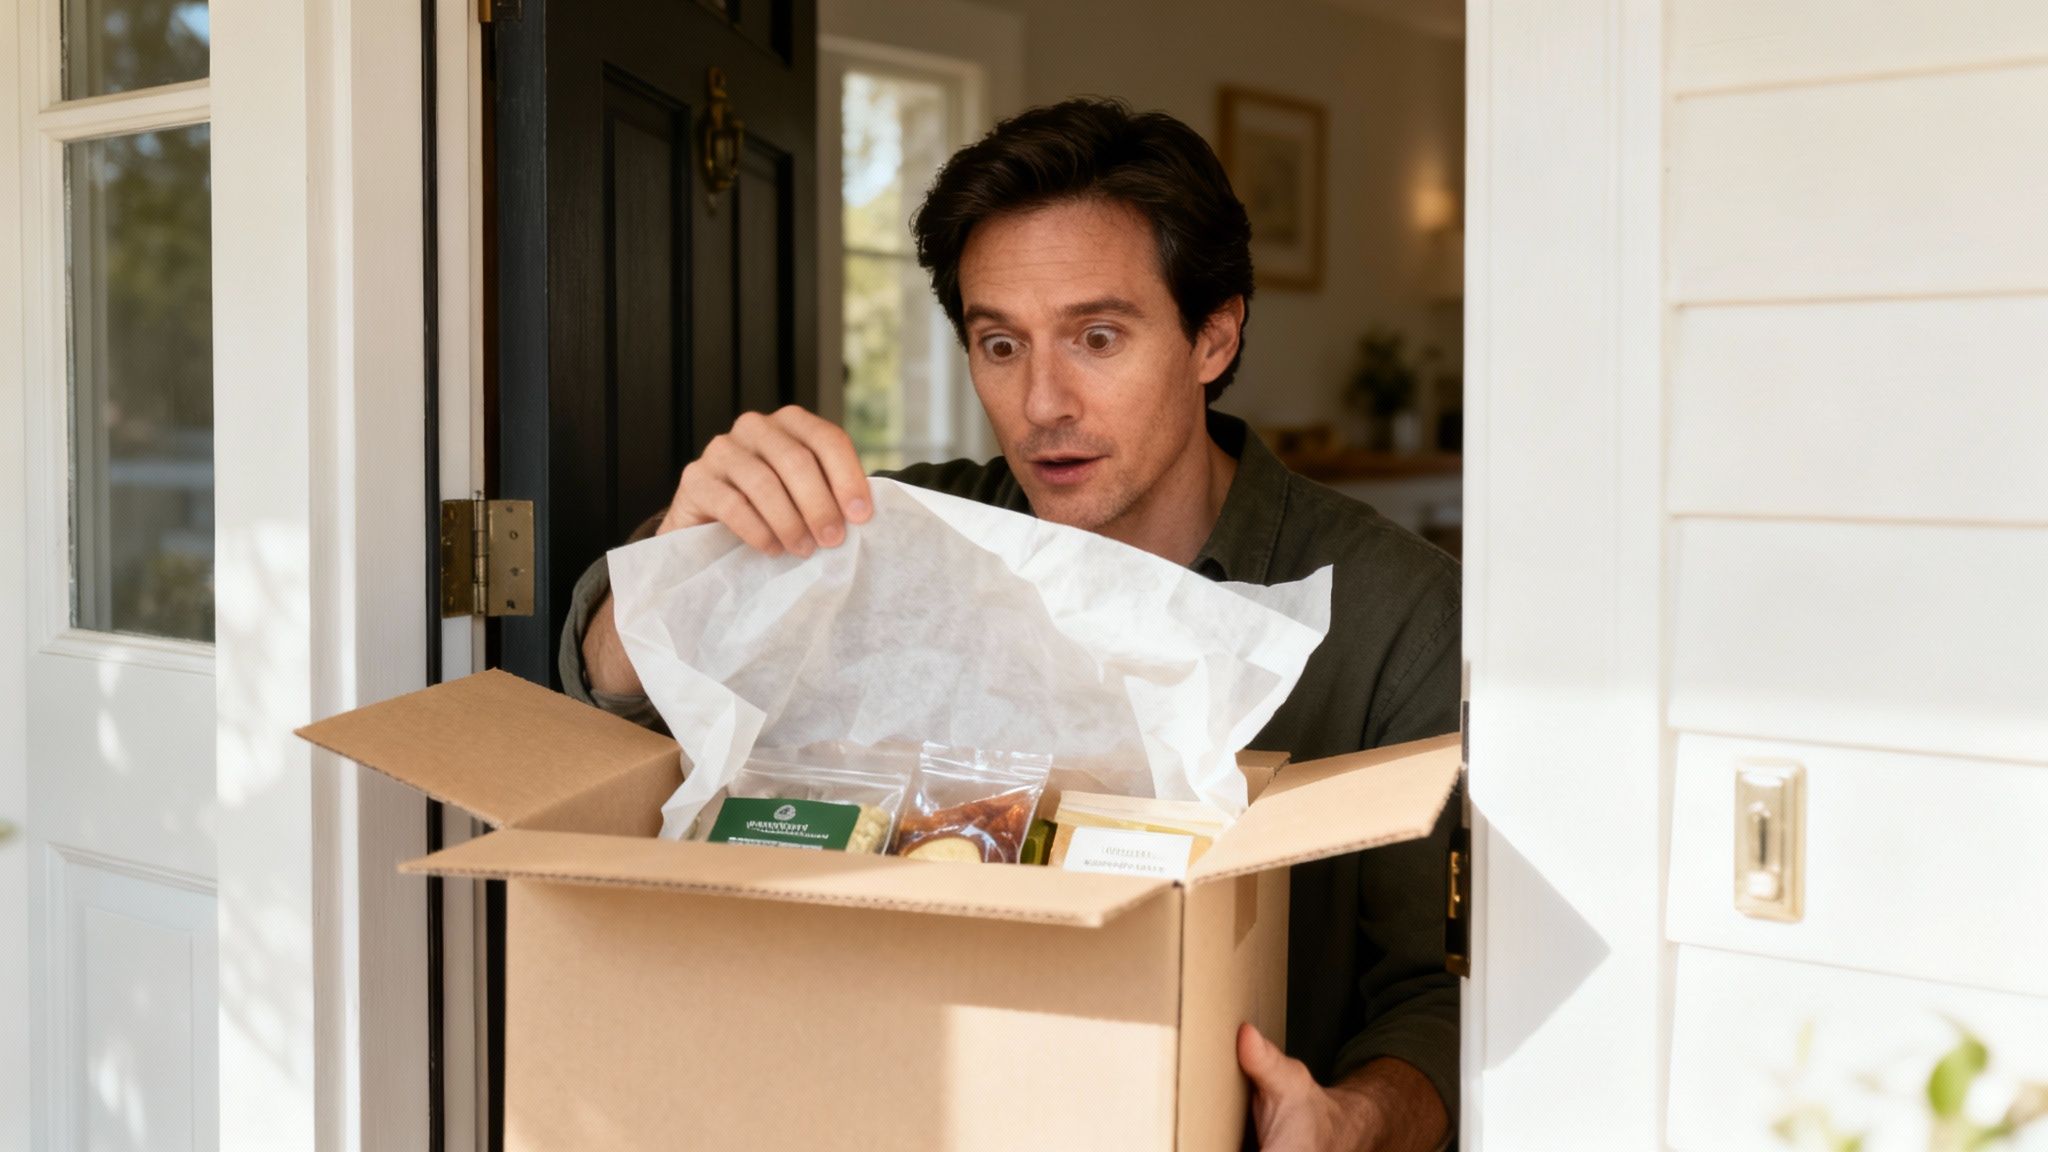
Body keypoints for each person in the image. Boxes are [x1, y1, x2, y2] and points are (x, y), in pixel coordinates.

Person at [561, 98, 1461, 1152]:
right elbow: (613, 705)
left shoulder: (1396, 610)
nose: (1042, 403)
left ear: (1212, 335)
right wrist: (679, 551)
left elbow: (1436, 996)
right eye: (999, 343)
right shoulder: (894, 540)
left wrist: (1352, 1120)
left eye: (1096, 337)